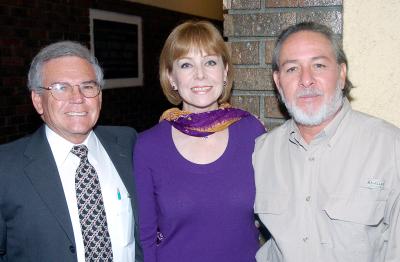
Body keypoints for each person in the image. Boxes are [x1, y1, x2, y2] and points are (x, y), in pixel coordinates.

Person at [253, 21, 400, 262]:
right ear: (278, 83)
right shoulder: (262, 152)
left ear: (342, 74)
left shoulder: (391, 149)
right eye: (292, 69)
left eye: (319, 65)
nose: (306, 80)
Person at [133, 20, 266, 262]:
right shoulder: (148, 146)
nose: (200, 74)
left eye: (210, 62)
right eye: (186, 65)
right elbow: (146, 237)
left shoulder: (252, 132)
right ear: (171, 77)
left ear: (225, 71)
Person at [0, 41, 143, 262]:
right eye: (61, 88)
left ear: (100, 96)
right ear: (38, 101)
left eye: (87, 86)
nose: (77, 98)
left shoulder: (129, 144)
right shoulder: (5, 168)